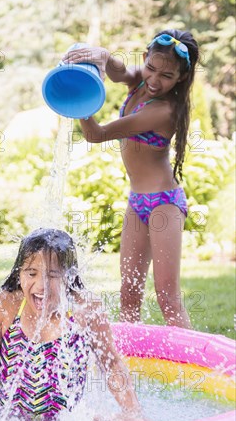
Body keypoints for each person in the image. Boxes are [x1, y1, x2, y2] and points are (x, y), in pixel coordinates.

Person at [63, 30, 199, 329]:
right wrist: (102, 56)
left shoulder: (164, 110)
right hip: (137, 202)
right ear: (145, 59)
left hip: (164, 203)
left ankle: (196, 372)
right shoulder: (141, 79)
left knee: (168, 298)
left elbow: (95, 134)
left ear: (180, 78)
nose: (154, 79)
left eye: (166, 75)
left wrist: (80, 99)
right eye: (151, 68)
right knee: (129, 293)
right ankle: (128, 370)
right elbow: (120, 72)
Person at [0, 228, 143, 421]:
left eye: (52, 275)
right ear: (19, 273)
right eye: (31, 273)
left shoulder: (85, 310)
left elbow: (111, 365)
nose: (41, 285)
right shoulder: (3, 307)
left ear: (69, 276)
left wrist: (134, 413)